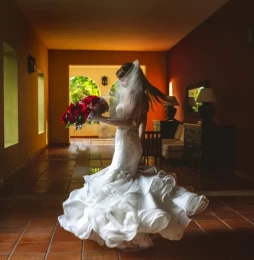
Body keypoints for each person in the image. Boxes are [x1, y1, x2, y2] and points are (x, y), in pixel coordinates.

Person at [58, 60, 209, 251]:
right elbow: (141, 122)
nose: (121, 83)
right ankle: (130, 227)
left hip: (127, 142)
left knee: (120, 179)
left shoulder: (135, 96)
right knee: (124, 178)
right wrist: (139, 140)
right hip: (127, 142)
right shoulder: (137, 95)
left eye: (123, 79)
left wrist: (101, 119)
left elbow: (128, 121)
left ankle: (127, 228)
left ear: (131, 78)